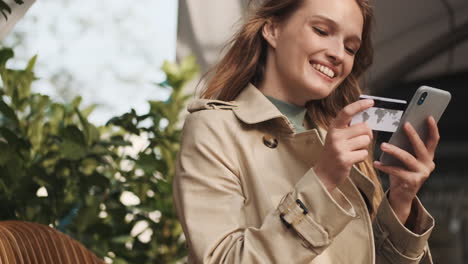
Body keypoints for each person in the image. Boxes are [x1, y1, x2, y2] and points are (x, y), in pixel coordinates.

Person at [173, 0, 437, 263]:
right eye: (321, 31)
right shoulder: (215, 128)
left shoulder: (338, 138)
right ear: (273, 30)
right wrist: (323, 179)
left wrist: (402, 200)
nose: (338, 54)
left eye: (350, 47)